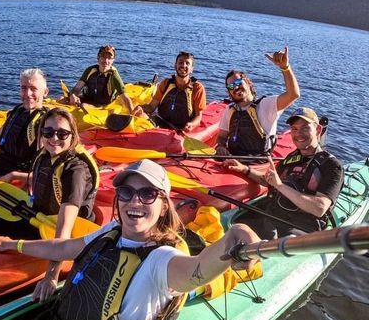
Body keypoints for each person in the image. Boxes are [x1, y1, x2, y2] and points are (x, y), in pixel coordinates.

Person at [0, 159, 259, 320]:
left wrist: (234, 238)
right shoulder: (112, 231)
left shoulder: (161, 260)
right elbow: (66, 247)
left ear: (163, 204)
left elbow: (196, 272)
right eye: (126, 192)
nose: (134, 201)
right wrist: (14, 244)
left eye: (147, 193)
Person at [6, 107, 100, 301]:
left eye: (62, 133)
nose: (54, 138)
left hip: (69, 233)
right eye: (48, 132)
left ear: (72, 135)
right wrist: (15, 175)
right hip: (41, 220)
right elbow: (48, 179)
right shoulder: (47, 155)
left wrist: (51, 275)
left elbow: (65, 227)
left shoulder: (76, 170)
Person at [223, 107, 343, 238]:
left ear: (318, 130)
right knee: (231, 227)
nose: (299, 134)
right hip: (273, 216)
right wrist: (245, 169)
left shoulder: (332, 166)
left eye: (305, 128)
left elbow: (319, 208)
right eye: (294, 129)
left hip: (301, 228)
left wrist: (280, 186)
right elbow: (270, 180)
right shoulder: (292, 158)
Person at [215, 46, 300, 157]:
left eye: (238, 83)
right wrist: (220, 146)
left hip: (258, 162)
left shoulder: (267, 105)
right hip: (232, 158)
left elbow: (293, 94)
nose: (235, 88)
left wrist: (285, 68)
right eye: (231, 86)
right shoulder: (230, 109)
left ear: (248, 82)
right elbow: (222, 137)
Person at [134, 51, 206, 131]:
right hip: (160, 122)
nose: (183, 65)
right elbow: (151, 107)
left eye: (187, 63)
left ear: (192, 69)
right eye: (180, 62)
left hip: (181, 128)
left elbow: (198, 116)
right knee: (140, 115)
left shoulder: (197, 88)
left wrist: (191, 124)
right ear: (175, 66)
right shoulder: (166, 83)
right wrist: (139, 107)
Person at [68, 45, 134, 112]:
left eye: (109, 58)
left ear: (113, 61)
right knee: (62, 99)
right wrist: (73, 95)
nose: (106, 61)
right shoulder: (90, 70)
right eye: (103, 57)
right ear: (98, 58)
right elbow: (76, 88)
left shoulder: (113, 75)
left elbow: (125, 98)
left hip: (103, 105)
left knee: (84, 106)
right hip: (87, 99)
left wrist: (132, 114)